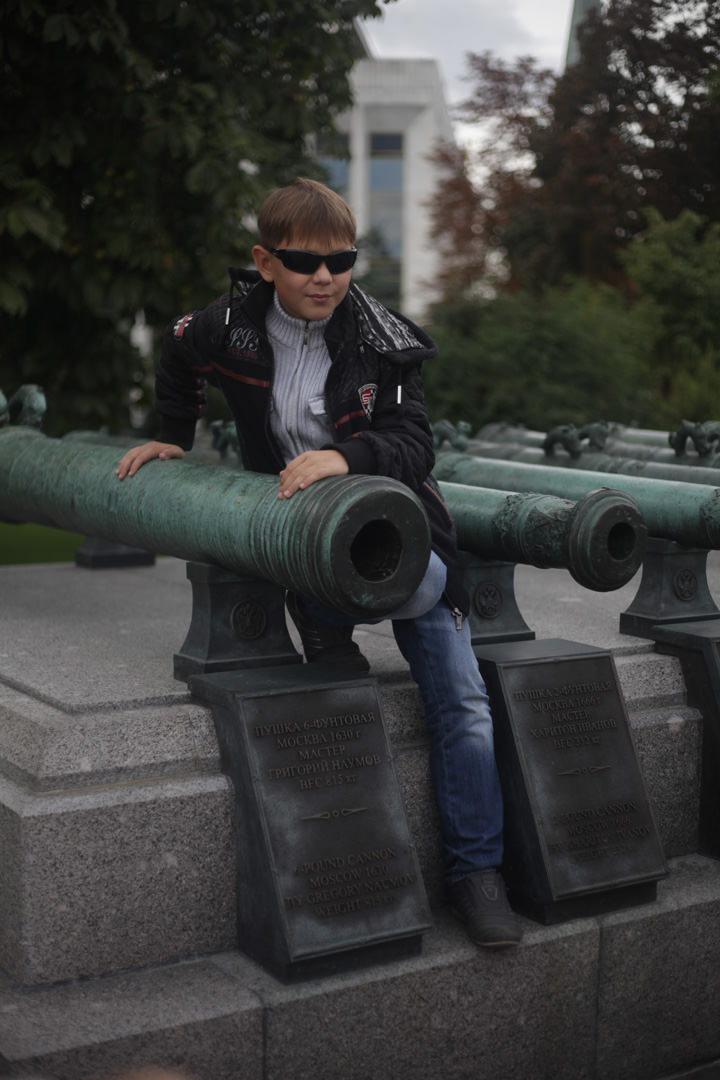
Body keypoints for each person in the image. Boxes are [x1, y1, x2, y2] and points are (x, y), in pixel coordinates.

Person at [116, 177, 521, 948]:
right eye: (305, 262)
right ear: (265, 261)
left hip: (399, 534)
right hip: (307, 541)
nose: (326, 277)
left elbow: (414, 445)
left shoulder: (383, 341)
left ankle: (478, 872)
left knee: (464, 703)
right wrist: (174, 431)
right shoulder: (228, 327)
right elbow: (178, 351)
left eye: (342, 260)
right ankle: (326, 616)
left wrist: (347, 456)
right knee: (339, 646)